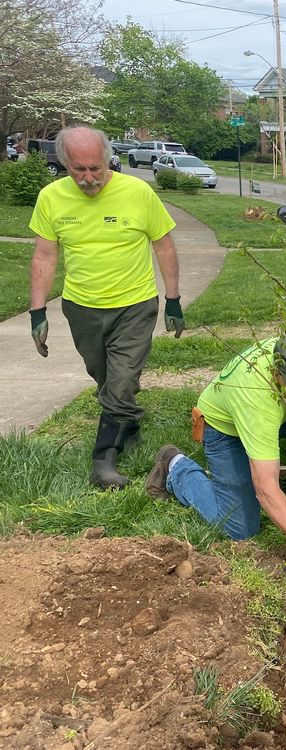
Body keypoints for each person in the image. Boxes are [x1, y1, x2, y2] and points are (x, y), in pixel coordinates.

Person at [28, 126, 184, 490]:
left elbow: (164, 245)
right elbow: (45, 255)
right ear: (64, 164)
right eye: (78, 170)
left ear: (108, 159)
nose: (88, 178)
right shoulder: (51, 197)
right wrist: (38, 312)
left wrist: (173, 299)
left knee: (122, 379)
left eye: (95, 168)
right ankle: (126, 424)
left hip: (134, 304)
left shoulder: (137, 192)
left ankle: (104, 461)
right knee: (105, 377)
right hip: (81, 307)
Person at [145, 332, 286, 540]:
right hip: (226, 428)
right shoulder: (254, 396)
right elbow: (266, 488)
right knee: (239, 527)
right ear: (276, 373)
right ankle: (175, 467)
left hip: (280, 411)